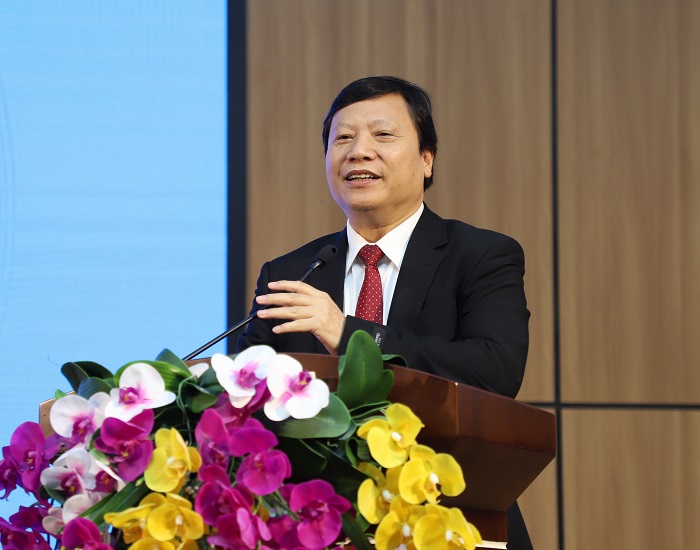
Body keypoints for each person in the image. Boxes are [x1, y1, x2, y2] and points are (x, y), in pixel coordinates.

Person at [237, 75, 532, 549]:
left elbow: (495, 372)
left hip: (450, 517)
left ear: (427, 158)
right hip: (316, 525)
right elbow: (243, 394)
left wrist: (350, 335)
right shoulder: (293, 272)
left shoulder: (480, 255)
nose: (359, 152)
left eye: (383, 134)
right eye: (343, 139)